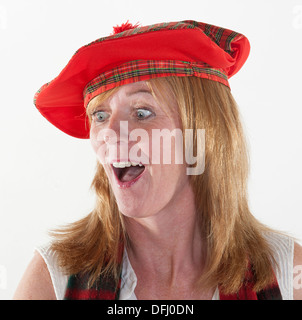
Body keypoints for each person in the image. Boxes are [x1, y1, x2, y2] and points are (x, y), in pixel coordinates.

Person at [14, 20, 302, 300]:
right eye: (100, 116)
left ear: (202, 133)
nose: (110, 133)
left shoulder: (287, 273)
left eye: (141, 113)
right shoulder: (55, 279)